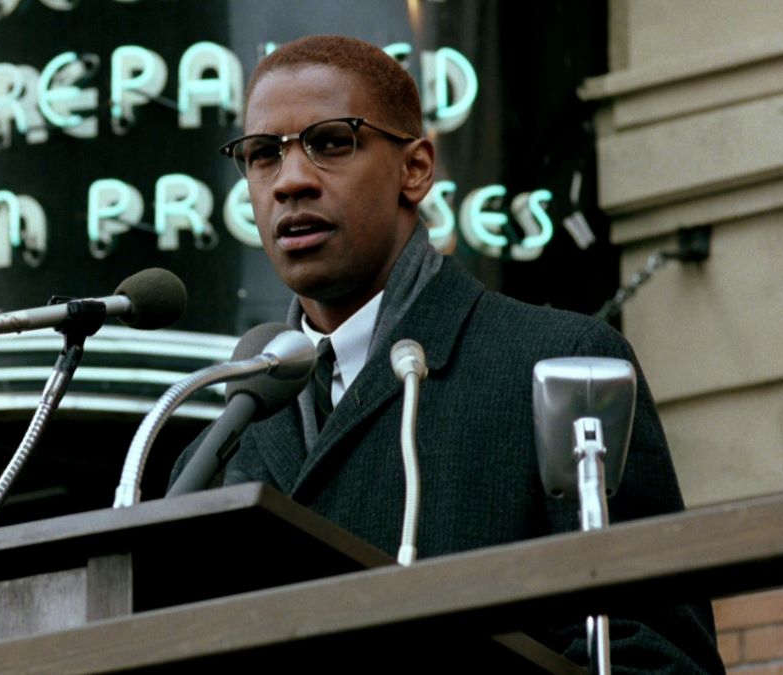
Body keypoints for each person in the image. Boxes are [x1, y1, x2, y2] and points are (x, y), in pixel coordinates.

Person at [177, 34, 722, 672]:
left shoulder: (557, 367)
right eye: (263, 154)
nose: (290, 180)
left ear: (416, 169)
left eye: (331, 142)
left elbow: (654, 658)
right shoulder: (220, 450)